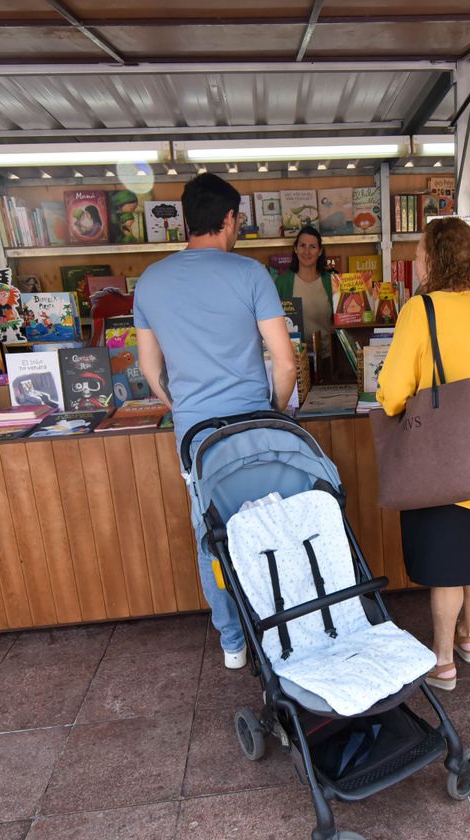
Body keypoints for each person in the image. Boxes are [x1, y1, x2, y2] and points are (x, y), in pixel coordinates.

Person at [135, 173, 298, 669]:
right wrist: (272, 408)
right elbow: (286, 363)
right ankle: (289, 625)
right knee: (273, 525)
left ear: (186, 220)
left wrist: (181, 404)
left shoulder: (151, 281)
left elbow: (149, 369)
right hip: (255, 427)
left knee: (214, 536)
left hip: (198, 437)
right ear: (229, 218)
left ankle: (232, 641)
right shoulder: (250, 275)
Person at [375, 218, 470, 691]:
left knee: (448, 571)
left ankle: (442, 663)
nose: (415, 261)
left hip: (445, 463)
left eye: (418, 252)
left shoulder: (422, 309)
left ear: (434, 258)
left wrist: (390, 400)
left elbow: (393, 393)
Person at [271, 225, 337, 368]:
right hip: (294, 360)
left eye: (312, 246)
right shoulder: (282, 283)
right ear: (295, 249)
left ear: (320, 251)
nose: (307, 251)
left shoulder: (331, 281)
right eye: (302, 245)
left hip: (327, 359)